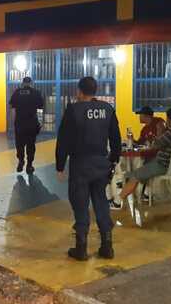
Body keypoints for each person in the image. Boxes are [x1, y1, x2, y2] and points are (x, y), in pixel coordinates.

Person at [56, 76, 121, 261]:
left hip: (80, 165)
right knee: (101, 201)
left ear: (79, 91)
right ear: (95, 90)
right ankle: (107, 246)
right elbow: (115, 138)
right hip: (101, 164)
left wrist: (60, 165)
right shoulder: (107, 109)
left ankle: (81, 248)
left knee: (80, 204)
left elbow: (64, 140)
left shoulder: (73, 110)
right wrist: (113, 160)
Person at [115, 107, 171, 219]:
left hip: (163, 165)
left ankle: (117, 201)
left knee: (135, 175)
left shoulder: (170, 133)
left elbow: (156, 144)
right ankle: (142, 192)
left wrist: (160, 133)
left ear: (170, 120)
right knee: (140, 167)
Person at [9, 77, 44, 174]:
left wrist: (14, 122)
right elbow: (40, 109)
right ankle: (29, 165)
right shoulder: (36, 93)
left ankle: (21, 160)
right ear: (31, 83)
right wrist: (39, 122)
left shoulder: (17, 92)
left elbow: (12, 108)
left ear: (23, 83)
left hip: (20, 123)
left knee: (19, 144)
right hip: (32, 123)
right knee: (31, 145)